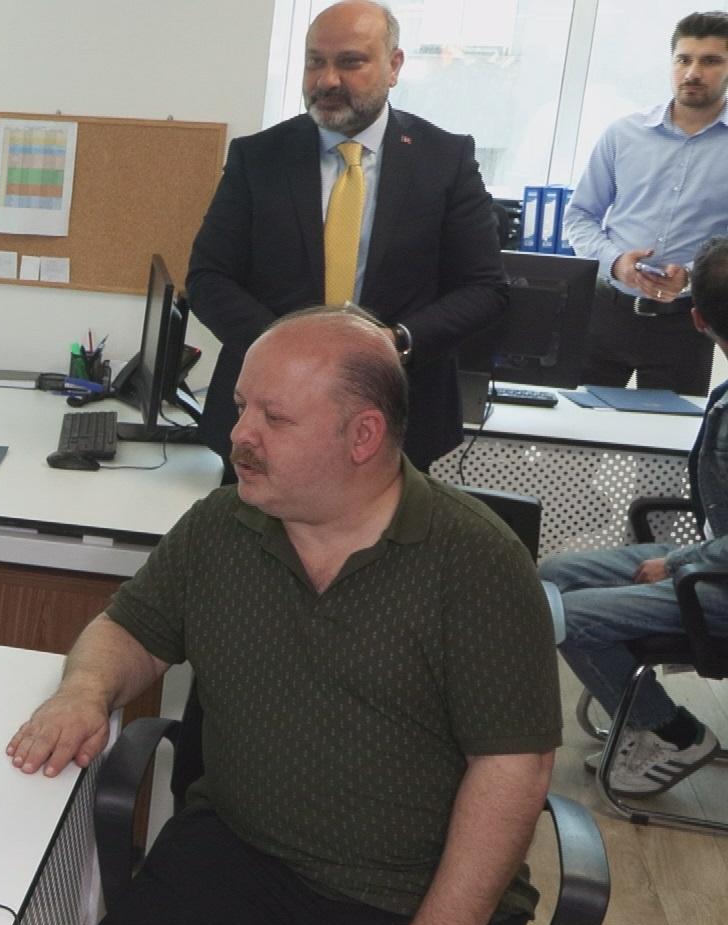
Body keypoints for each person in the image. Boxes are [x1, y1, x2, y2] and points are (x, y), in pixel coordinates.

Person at [7, 309, 560, 925]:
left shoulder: (474, 563)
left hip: (418, 885)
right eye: (241, 407)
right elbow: (130, 628)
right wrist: (84, 691)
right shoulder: (223, 526)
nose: (240, 435)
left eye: (275, 417)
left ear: (362, 436)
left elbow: (514, 769)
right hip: (244, 849)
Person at [187, 0, 507, 472]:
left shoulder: (444, 160)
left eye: (350, 62)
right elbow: (208, 278)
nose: (328, 80)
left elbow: (483, 288)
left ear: (394, 66)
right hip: (263, 417)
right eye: (315, 61)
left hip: (397, 418)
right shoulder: (259, 158)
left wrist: (396, 343)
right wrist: (288, 352)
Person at [540, 235, 728, 796]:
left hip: (717, 575)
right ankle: (642, 717)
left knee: (568, 617)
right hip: (712, 561)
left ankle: (673, 733)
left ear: (696, 319)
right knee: (552, 577)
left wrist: (679, 562)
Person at [562, 12, 728, 395]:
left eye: (710, 61)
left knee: (669, 431)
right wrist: (616, 263)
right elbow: (580, 216)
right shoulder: (624, 134)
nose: (693, 72)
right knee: (575, 423)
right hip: (605, 313)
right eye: (684, 59)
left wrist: (691, 275)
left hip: (687, 324)